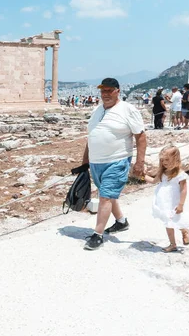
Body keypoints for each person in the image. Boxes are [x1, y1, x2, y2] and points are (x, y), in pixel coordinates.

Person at [71, 78, 147, 250]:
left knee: (105, 196)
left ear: (117, 91)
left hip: (117, 160)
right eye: (103, 90)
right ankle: (121, 222)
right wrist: (85, 161)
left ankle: (97, 235)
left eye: (109, 90)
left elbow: (141, 136)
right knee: (108, 194)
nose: (105, 94)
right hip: (97, 163)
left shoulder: (128, 110)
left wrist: (139, 162)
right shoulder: (97, 110)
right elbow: (92, 136)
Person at [143, 145, 189, 253]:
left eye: (167, 159)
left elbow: (184, 190)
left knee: (178, 220)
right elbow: (153, 181)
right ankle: (172, 244)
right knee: (168, 223)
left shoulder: (180, 174)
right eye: (162, 160)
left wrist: (181, 204)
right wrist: (142, 176)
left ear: (176, 159)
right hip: (164, 203)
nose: (164, 162)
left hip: (174, 202)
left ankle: (185, 231)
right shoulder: (162, 172)